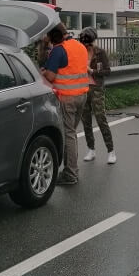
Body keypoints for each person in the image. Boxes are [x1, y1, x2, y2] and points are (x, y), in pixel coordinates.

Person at [41, 27, 89, 185]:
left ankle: (70, 174)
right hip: (82, 95)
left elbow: (50, 76)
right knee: (71, 133)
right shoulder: (80, 46)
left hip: (67, 97)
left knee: (68, 134)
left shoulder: (59, 50)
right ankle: (71, 170)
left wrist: (42, 72)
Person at [78, 27, 116, 164]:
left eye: (87, 42)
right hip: (83, 88)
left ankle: (111, 151)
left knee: (101, 119)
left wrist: (92, 71)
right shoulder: (80, 52)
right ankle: (91, 149)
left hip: (96, 88)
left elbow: (107, 71)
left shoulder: (100, 53)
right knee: (86, 120)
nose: (85, 44)